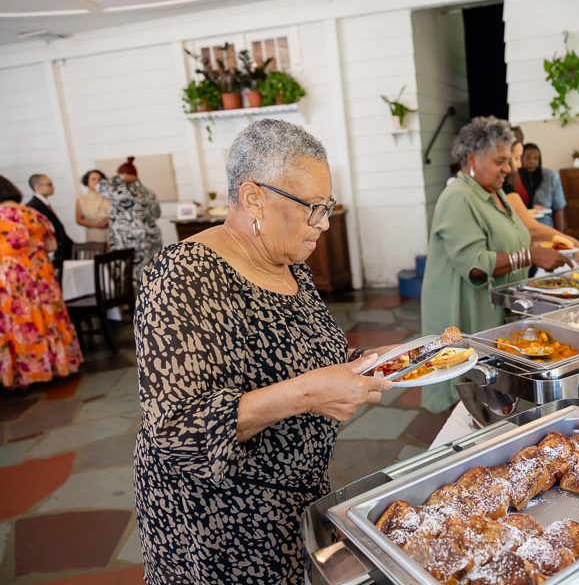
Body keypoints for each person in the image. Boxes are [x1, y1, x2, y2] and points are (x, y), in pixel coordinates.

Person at [133, 119, 394, 585]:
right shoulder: (184, 275)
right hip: (220, 519)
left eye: (328, 205)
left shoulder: (287, 263)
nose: (324, 222)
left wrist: (378, 359)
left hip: (291, 498)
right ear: (254, 198)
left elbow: (301, 356)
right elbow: (176, 431)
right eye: (313, 207)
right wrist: (306, 395)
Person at [421, 117, 574, 413]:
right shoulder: (458, 197)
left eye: (508, 160)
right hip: (466, 310)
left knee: (493, 394)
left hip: (493, 310)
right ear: (472, 159)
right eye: (499, 161)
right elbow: (476, 264)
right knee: (466, 398)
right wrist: (530, 256)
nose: (509, 168)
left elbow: (514, 238)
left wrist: (540, 251)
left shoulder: (494, 191)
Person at [0, 175, 82, 389]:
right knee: (49, 318)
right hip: (40, 276)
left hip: (11, 281)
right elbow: (52, 246)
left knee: (20, 324)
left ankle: (27, 374)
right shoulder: (33, 213)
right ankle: (59, 366)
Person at [503, 140, 579, 266]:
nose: (519, 165)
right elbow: (532, 229)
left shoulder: (547, 177)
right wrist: (574, 244)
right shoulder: (504, 188)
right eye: (516, 158)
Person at [95, 157, 162, 283]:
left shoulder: (122, 193)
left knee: (130, 278)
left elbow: (99, 186)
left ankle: (136, 296)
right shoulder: (148, 192)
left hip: (129, 241)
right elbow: (157, 214)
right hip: (151, 239)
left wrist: (122, 178)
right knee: (152, 275)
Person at [520, 143, 567, 231]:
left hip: (545, 226)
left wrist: (559, 234)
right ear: (520, 158)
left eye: (536, 158)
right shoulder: (514, 178)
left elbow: (559, 209)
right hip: (522, 227)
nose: (532, 161)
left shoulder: (551, 177)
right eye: (528, 158)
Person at [26, 174, 73, 260]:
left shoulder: (42, 203)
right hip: (54, 251)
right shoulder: (33, 207)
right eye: (49, 184)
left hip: (62, 248)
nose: (53, 187)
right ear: (37, 187)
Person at [76, 169, 110, 245]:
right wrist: (96, 224)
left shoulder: (108, 197)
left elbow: (118, 213)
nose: (96, 182)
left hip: (110, 232)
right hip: (94, 234)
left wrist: (108, 221)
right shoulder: (81, 199)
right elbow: (79, 220)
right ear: (87, 181)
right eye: (93, 179)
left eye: (99, 179)